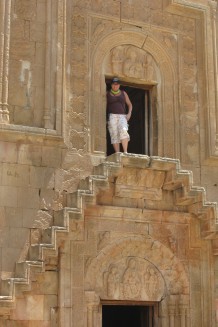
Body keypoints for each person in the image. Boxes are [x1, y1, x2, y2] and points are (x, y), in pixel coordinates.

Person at [107, 77, 132, 153]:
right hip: (112, 116)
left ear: (119, 85)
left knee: (124, 130)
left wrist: (129, 114)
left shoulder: (123, 93)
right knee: (114, 134)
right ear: (111, 85)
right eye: (114, 84)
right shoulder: (107, 94)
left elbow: (130, 104)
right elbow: (104, 106)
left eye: (117, 84)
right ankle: (117, 153)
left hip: (122, 115)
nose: (115, 86)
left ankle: (125, 151)